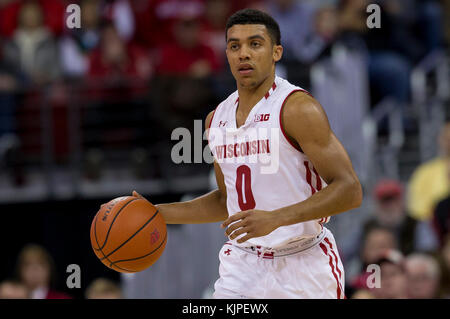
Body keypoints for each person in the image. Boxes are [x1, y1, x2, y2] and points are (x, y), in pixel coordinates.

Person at [130, 8, 362, 299]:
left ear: (276, 52)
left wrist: (277, 218)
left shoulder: (298, 108)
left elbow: (350, 190)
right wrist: (158, 214)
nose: (243, 54)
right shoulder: (216, 119)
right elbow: (226, 201)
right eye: (234, 46)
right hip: (243, 266)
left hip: (303, 263)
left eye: (255, 44)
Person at [408, 121, 450, 221]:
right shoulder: (424, 172)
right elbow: (416, 208)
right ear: (440, 140)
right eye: (446, 138)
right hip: (434, 226)